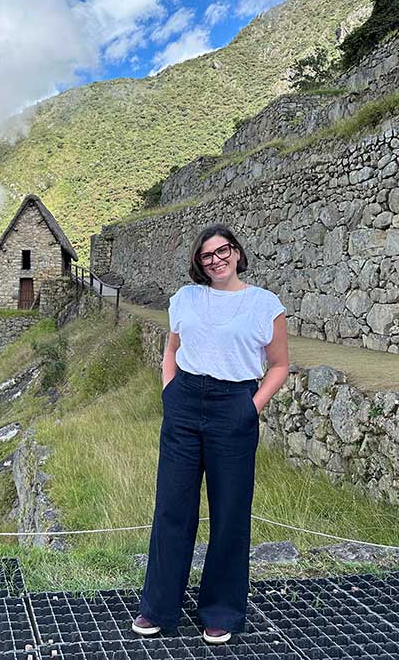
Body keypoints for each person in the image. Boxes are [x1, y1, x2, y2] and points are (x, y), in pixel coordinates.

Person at [131, 224, 290, 644]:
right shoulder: (186, 298)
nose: (216, 260)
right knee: (171, 507)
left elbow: (278, 366)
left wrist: (249, 408)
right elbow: (172, 350)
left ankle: (220, 610)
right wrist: (170, 392)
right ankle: (158, 607)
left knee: (231, 512)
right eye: (207, 256)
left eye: (223, 251)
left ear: (237, 252)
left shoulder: (265, 305)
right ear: (199, 263)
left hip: (234, 406)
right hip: (184, 402)